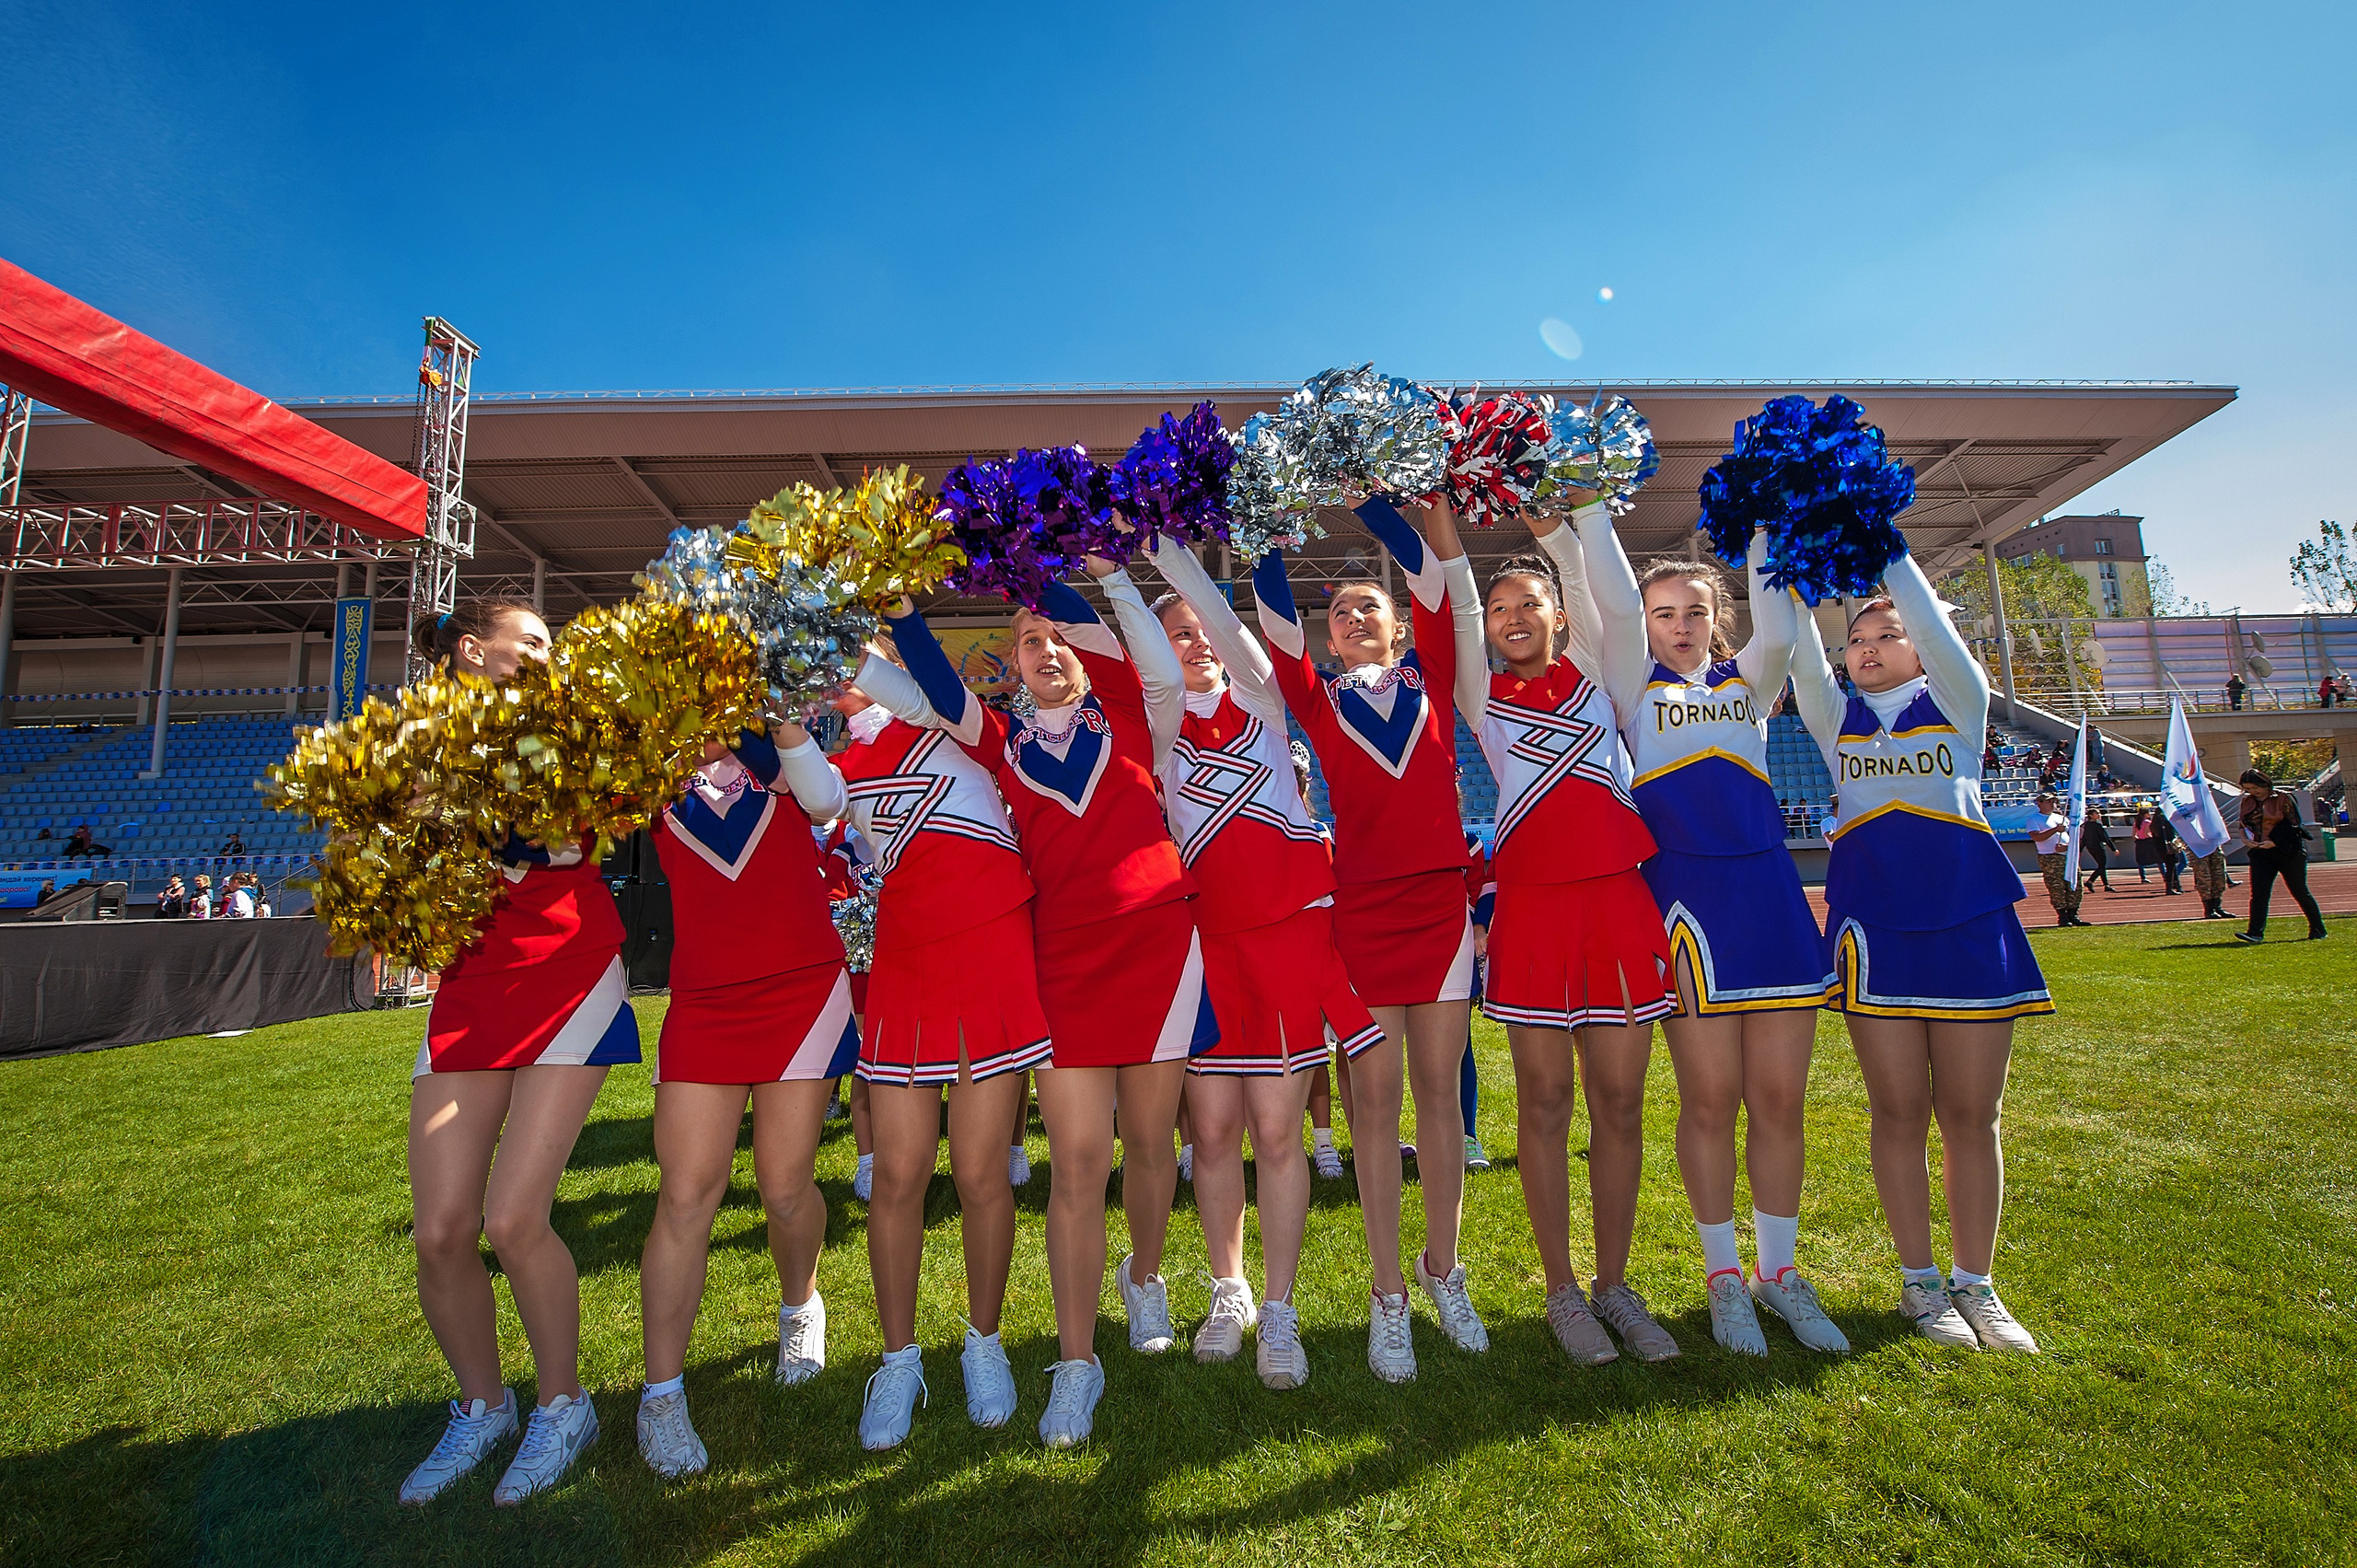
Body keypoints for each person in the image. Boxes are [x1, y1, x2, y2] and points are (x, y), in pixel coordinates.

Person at [875, 558, 1206, 1447]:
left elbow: (1159, 664)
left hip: (1158, 952)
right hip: (1057, 964)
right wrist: (904, 613)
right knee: (1077, 1161)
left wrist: (1075, 571)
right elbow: (934, 696)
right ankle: (1075, 1363)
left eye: (1059, 638)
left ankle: (1143, 1277)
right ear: (1011, 664)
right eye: (1029, 642)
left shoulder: (1140, 711)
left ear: (1086, 653)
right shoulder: (1003, 742)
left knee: (1148, 1145)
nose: (1047, 650)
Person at [1573, 505, 1850, 1358]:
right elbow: (1613, 606)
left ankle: (1780, 1273)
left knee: (1778, 1099)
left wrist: (1762, 517)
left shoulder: (1750, 682)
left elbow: (1781, 617)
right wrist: (1586, 512)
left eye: (1696, 611)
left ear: (1718, 619)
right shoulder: (1628, 682)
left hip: (1767, 896)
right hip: (1687, 906)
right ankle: (1723, 1278)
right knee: (1709, 1098)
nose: (1681, 626)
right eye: (1664, 613)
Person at [398, 598, 642, 1507]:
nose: (549, 654)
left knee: (512, 1217)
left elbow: (564, 830)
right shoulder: (419, 739)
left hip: (568, 969)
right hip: (472, 985)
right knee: (441, 1228)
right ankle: (480, 1404)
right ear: (476, 650)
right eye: (532, 640)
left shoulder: (574, 732)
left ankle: (563, 1404)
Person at [1248, 493, 1488, 1381]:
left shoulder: (1434, 674)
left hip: (1438, 911)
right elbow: (1275, 624)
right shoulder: (1314, 699)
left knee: (1440, 1103)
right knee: (1375, 1112)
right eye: (1338, 613)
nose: (1350, 616)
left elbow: (1431, 580)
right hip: (1363, 917)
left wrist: (1375, 508)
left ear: (1394, 629)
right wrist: (1264, 532)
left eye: (1367, 608)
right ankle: (1389, 1292)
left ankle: (1442, 1267)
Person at [1791, 552, 2051, 1355]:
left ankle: (1979, 1281)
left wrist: (1882, 543)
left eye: (1886, 633)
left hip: (1970, 924)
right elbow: (1797, 645)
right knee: (1898, 1111)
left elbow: (1938, 629)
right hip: (1874, 931)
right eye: (1856, 637)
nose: (1866, 647)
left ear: (1917, 644)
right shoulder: (1837, 723)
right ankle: (1920, 1284)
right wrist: (1787, 560)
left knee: (1973, 1114)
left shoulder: (1960, 705)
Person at [1145, 536, 1388, 1390]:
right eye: (1176, 635)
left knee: (1280, 1131)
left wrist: (1173, 560)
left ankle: (1280, 1309)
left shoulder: (1265, 702)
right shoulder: (1160, 727)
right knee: (1210, 1131)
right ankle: (1230, 1287)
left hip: (1286, 940)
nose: (1196, 642)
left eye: (1202, 629)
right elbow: (1149, 665)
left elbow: (1231, 628)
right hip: (1206, 948)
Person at [1464, 507, 1688, 1366]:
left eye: (1530, 604)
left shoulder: (1605, 676)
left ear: (1560, 614)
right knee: (1546, 1104)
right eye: (1498, 609)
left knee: (1621, 1104)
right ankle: (1562, 1288)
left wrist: (1561, 529)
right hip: (1534, 910)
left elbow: (1624, 609)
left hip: (1619, 907)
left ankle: (1616, 1284)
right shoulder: (1478, 694)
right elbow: (1445, 596)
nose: (1513, 618)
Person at [631, 720, 860, 1479]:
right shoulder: (648, 773)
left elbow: (823, 799)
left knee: (786, 1188)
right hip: (704, 1003)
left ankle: (801, 1303)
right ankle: (660, 1394)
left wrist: (745, 716)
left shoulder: (782, 755)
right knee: (686, 1193)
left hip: (802, 991)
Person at [2234, 770, 2328, 944]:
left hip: (2287, 851)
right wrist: (2245, 839)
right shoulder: (2247, 802)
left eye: (2255, 787)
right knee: (2259, 893)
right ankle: (2255, 933)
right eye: (2248, 789)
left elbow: (2295, 826)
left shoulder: (2283, 798)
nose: (2253, 792)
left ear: (2265, 783)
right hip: (2260, 852)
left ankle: (2318, 928)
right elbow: (2242, 823)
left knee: (2299, 890)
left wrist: (2274, 843)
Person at [2027, 793, 2084, 926]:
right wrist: (2055, 830)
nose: (2052, 804)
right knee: (2056, 887)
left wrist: (2068, 846)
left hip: (2068, 856)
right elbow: (2037, 837)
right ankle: (2063, 916)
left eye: (2053, 801)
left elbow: (2075, 836)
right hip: (2050, 857)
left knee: (2074, 884)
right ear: (2039, 803)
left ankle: (2073, 913)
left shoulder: (2061, 817)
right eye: (2048, 801)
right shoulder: (2034, 819)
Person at [2147, 805, 2185, 896]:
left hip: (2160, 848)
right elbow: (2170, 835)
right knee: (2171, 867)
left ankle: (2176, 885)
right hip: (2168, 848)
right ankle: (2170, 887)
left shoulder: (2153, 824)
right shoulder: (2165, 822)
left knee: (2170, 867)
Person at [2080, 813, 2115, 892]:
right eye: (2097, 813)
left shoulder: (2087, 825)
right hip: (2098, 847)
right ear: (2091, 815)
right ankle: (2090, 881)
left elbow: (2084, 838)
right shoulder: (2097, 825)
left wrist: (2081, 848)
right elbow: (2105, 837)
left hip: (2091, 848)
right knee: (2102, 866)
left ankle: (2106, 885)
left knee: (2101, 866)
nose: (2099, 815)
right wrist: (2113, 848)